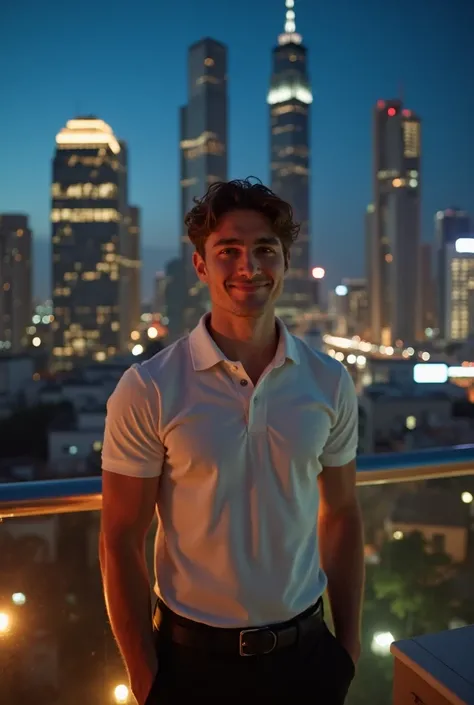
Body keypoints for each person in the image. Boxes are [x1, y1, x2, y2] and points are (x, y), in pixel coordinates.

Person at [100, 178, 365, 705]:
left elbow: (341, 514)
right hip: (191, 664)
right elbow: (120, 538)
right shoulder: (150, 387)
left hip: (308, 658)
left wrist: (348, 648)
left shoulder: (329, 381)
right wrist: (146, 680)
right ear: (201, 266)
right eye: (228, 251)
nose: (249, 266)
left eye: (265, 249)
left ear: (285, 262)